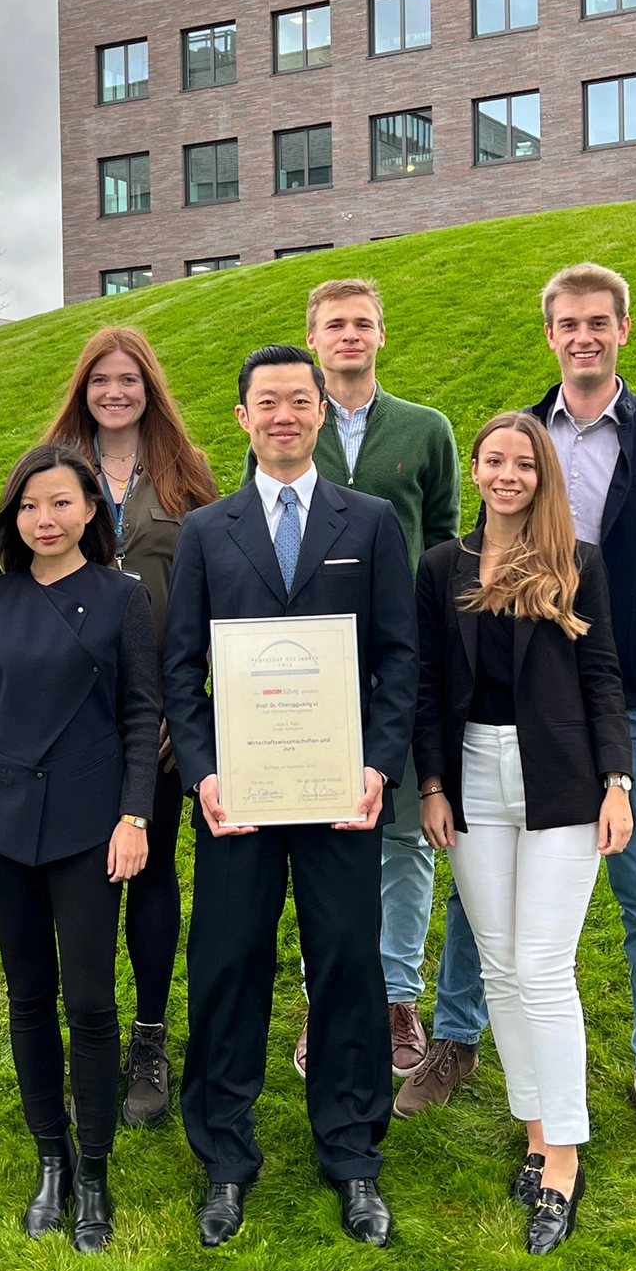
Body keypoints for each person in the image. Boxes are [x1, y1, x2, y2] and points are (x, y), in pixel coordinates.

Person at [405, 263, 636, 1172]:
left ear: (623, 328)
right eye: (567, 323)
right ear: (549, 335)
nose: (583, 335)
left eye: (599, 322)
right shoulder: (521, 436)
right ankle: (462, 1040)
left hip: (623, 689)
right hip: (502, 708)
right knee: (484, 902)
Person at [164, 345, 418, 1249]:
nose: (283, 415)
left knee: (348, 966)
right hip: (240, 801)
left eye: (298, 401)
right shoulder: (207, 532)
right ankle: (225, 1159)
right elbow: (180, 668)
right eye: (266, 402)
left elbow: (398, 659)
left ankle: (351, 1155)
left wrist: (378, 765)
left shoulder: (372, 522)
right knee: (228, 968)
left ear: (322, 413)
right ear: (242, 418)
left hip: (337, 795)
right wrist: (204, 773)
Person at [414, 411, 634, 1254]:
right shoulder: (443, 566)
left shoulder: (577, 563)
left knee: (543, 966)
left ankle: (566, 1158)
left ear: (542, 474)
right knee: (501, 967)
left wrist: (618, 782)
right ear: (475, 471)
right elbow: (430, 683)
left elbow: (605, 673)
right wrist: (432, 784)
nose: (509, 475)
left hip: (563, 781)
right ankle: (537, 1131)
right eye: (494, 462)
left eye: (524, 464)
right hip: (470, 778)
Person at [0, 444, 159, 1253]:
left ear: (91, 509)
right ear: (14, 516)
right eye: (31, 506)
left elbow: (143, 715)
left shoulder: (120, 598)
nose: (46, 520)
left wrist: (135, 816)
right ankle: (52, 1161)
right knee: (29, 996)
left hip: (89, 828)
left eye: (62, 503)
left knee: (92, 1004)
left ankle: (94, 1170)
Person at [243, 278, 459, 1079]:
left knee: (401, 835)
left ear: (381, 334)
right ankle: (327, 996)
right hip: (307, 672)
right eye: (334, 324)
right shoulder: (288, 427)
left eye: (363, 322)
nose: (349, 335)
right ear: (312, 335)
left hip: (396, 663)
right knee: (322, 833)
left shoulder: (426, 431)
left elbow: (442, 548)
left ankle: (397, 995)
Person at [44, 326, 218, 1127]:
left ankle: (149, 1036)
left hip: (162, 717)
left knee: (149, 874)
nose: (115, 392)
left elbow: (219, 592)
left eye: (130, 379)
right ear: (83, 388)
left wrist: (183, 711)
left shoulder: (187, 476)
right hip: (74, 719)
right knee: (83, 879)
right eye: (101, 380)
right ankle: (91, 1035)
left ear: (151, 387)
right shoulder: (55, 469)